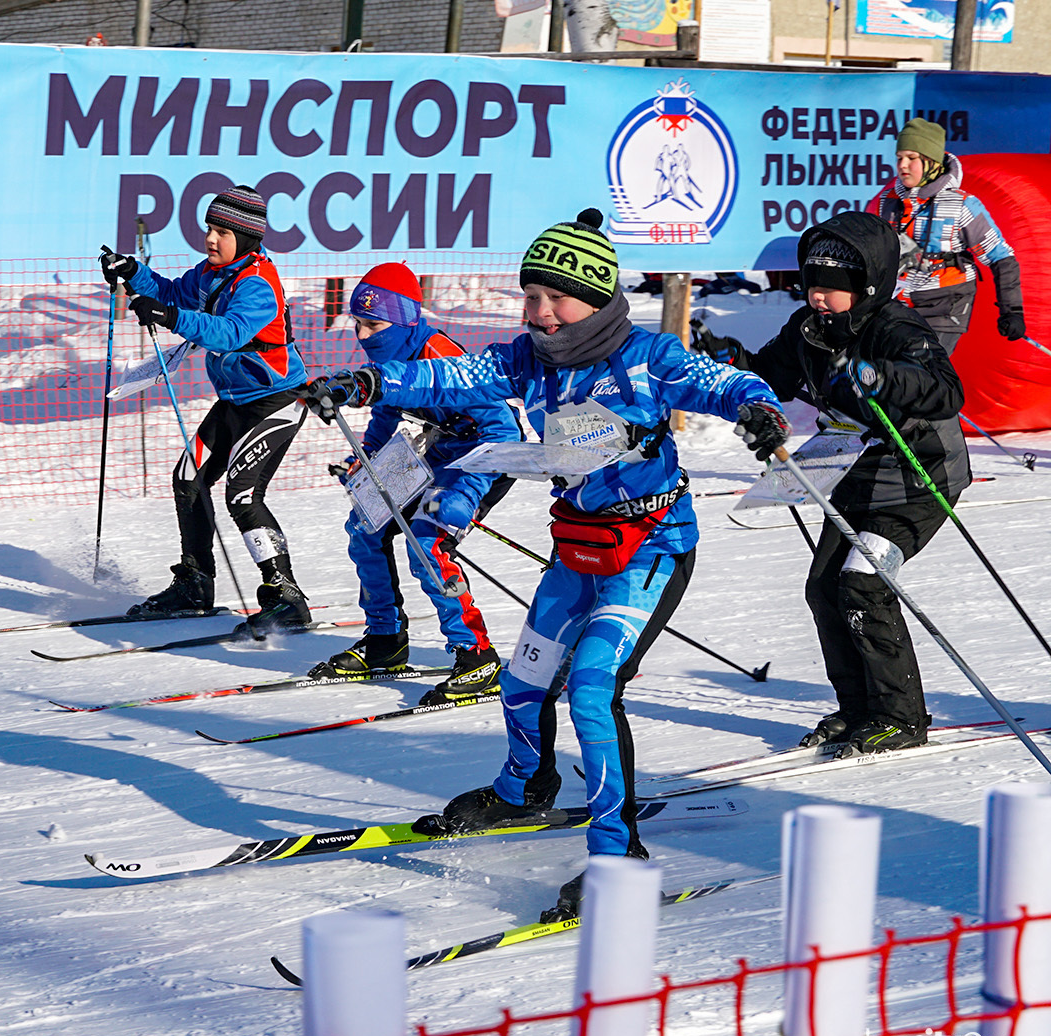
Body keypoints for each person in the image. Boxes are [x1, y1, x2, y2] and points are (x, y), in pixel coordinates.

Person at [304, 209, 789, 922]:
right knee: (524, 680)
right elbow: (449, 377)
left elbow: (725, 383)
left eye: (555, 297)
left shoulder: (648, 356)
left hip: (649, 546)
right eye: (530, 297)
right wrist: (367, 386)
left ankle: (617, 856)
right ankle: (524, 787)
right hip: (576, 547)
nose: (539, 312)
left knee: (591, 689)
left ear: (595, 298)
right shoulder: (527, 358)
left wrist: (761, 410)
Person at [735, 212, 968, 755]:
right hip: (852, 475)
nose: (819, 299)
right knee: (824, 589)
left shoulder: (897, 327)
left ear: (865, 289)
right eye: (813, 286)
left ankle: (901, 716)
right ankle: (857, 707)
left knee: (862, 583)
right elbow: (770, 375)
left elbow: (945, 390)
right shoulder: (807, 329)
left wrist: (877, 376)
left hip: (918, 478)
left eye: (833, 291)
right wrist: (730, 365)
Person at [98, 185, 311, 635]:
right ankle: (196, 583)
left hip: (275, 399)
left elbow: (228, 333)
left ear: (247, 237)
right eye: (209, 229)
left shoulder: (256, 283)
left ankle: (286, 596)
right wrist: (133, 272)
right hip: (235, 401)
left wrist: (169, 318)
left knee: (243, 493)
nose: (211, 239)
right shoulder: (214, 272)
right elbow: (173, 294)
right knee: (188, 477)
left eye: (222, 231)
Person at [308, 262, 519, 708]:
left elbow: (503, 427)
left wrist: (466, 488)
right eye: (358, 324)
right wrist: (363, 460)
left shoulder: (438, 353)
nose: (364, 335)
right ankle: (385, 639)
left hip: (483, 453)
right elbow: (387, 411)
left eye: (373, 324)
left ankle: (475, 655)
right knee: (365, 526)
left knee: (427, 539)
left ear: (403, 319)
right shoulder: (388, 355)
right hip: (436, 452)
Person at [865, 116, 1026, 354]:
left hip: (946, 304)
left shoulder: (961, 205)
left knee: (920, 375)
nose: (903, 166)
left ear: (931, 161)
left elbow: (1001, 257)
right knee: (883, 374)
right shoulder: (890, 202)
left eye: (912, 158)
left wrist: (1012, 311)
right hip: (899, 301)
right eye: (900, 158)